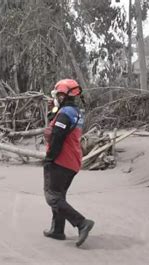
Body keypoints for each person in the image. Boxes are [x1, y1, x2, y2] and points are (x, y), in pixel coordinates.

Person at [42, 79, 94, 247]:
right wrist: (54, 111)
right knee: (59, 195)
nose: (56, 98)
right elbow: (57, 125)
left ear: (63, 95)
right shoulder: (74, 111)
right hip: (73, 161)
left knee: (52, 197)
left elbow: (57, 136)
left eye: (57, 95)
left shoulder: (64, 114)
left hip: (61, 161)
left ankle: (82, 223)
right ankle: (57, 230)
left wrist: (49, 158)